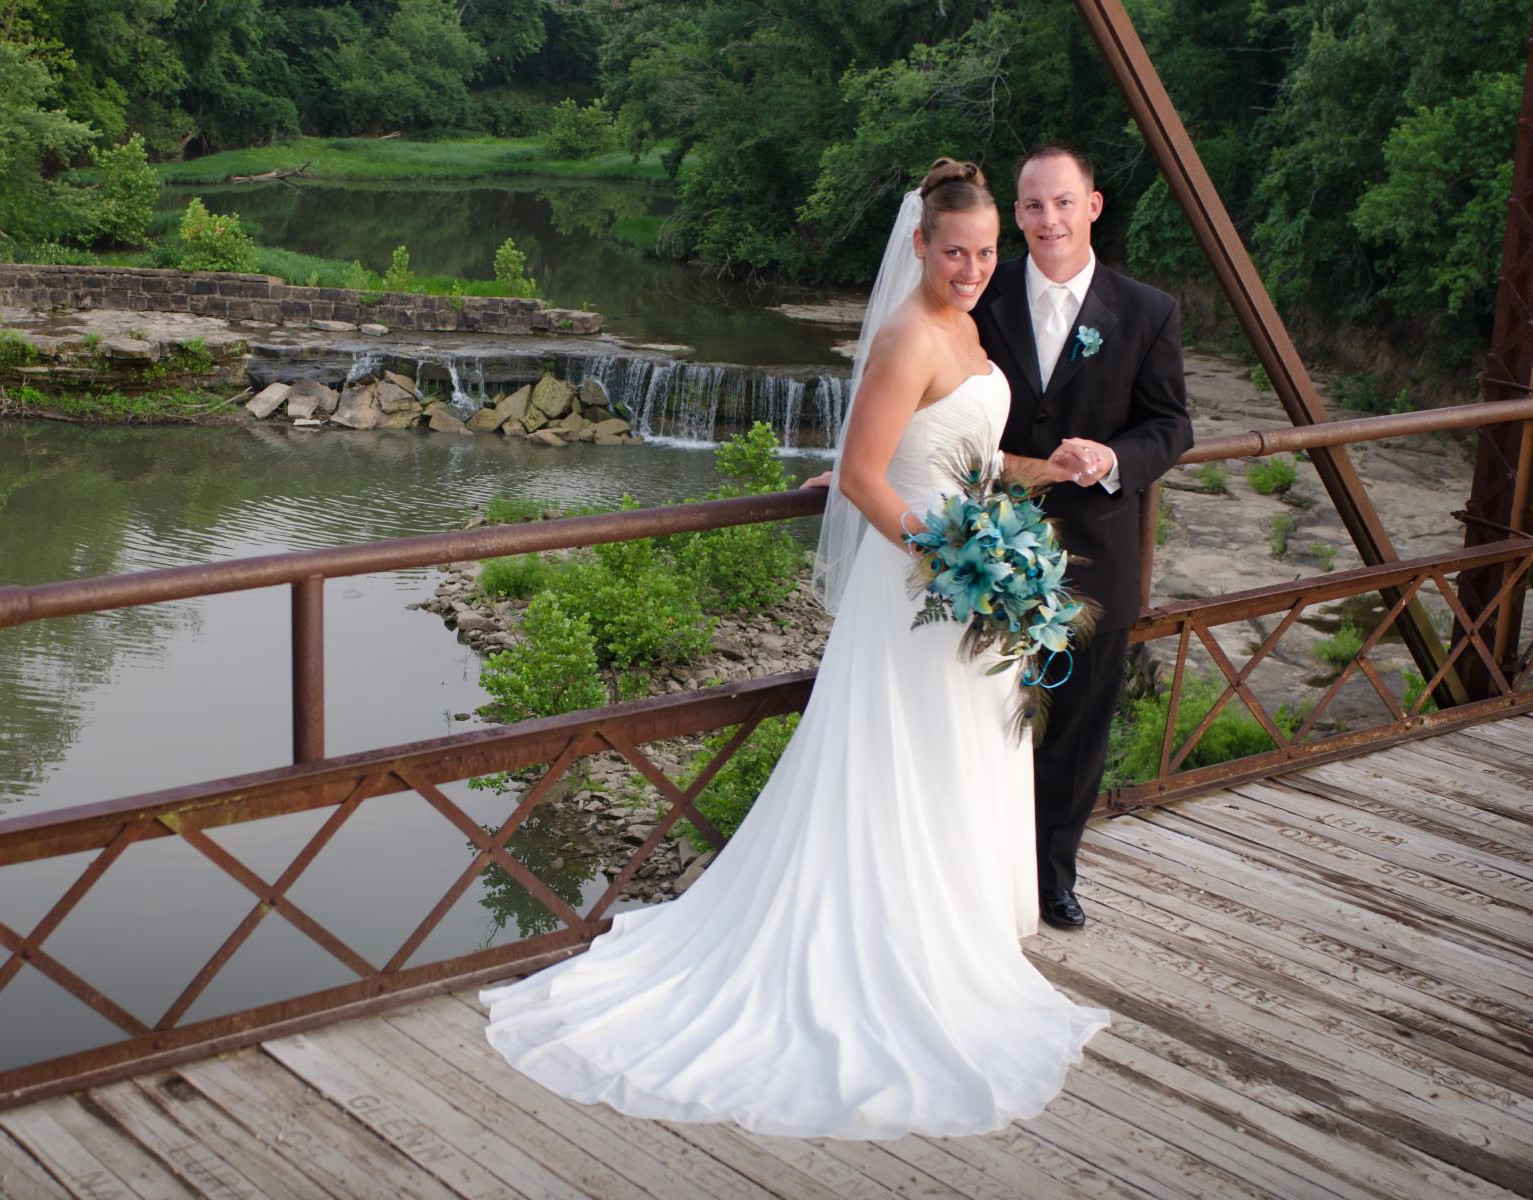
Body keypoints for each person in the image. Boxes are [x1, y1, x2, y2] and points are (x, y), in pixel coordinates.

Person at [481, 160, 1108, 1140]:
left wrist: (1041, 470)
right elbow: (864, 477)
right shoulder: (907, 334)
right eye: (955, 252)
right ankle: (889, 948)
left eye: (987, 252)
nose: (973, 268)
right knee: (894, 765)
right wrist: (945, 557)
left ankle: (955, 932)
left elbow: (971, 460)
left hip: (964, 583)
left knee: (959, 758)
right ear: (919, 247)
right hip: (916, 591)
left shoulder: (970, 329)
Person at [974, 144, 1192, 931]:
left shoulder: (1145, 311)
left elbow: (1171, 424)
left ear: (1092, 206)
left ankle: (1050, 881)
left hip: (1095, 555)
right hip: (982, 546)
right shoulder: (977, 291)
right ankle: (969, 875)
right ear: (1016, 210)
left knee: (1072, 726)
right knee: (977, 711)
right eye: (1031, 205)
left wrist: (1112, 459)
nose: (1047, 219)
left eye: (1062, 202)